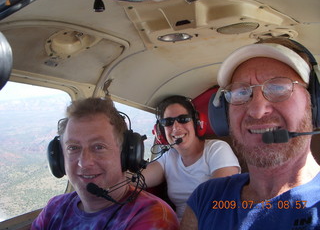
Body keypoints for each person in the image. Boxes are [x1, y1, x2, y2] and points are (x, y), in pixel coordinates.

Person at [180, 37, 320, 230]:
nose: (257, 111)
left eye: (279, 87)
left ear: (313, 104)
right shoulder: (207, 197)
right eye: (240, 92)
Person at [31, 97, 179, 230]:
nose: (84, 163)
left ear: (126, 154)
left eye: (98, 147)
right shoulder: (54, 208)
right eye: (73, 148)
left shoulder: (153, 217)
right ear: (59, 157)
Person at [142, 95, 240, 221]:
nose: (176, 127)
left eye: (183, 119)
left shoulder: (217, 149)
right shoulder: (168, 157)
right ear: (161, 131)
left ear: (196, 122)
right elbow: (137, 180)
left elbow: (221, 198)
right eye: (168, 122)